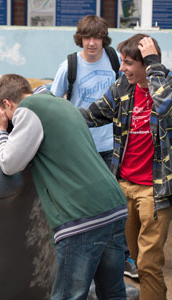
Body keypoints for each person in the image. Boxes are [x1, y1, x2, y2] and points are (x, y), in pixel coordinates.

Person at [0, 74, 128, 299]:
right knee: (113, 292)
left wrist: (0, 131)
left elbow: (9, 163)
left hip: (82, 217)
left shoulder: (29, 108)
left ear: (7, 104)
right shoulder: (64, 104)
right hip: (114, 206)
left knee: (68, 295)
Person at [79, 34, 172, 300]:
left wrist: (155, 63)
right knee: (125, 258)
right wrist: (53, 110)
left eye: (129, 63)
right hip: (123, 186)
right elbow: (93, 114)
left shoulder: (167, 85)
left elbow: (164, 105)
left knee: (148, 264)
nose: (123, 68)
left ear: (147, 65)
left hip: (155, 192)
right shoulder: (123, 88)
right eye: (122, 61)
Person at [51, 14, 137, 279]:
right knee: (82, 202)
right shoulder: (69, 66)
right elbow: (54, 104)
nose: (92, 43)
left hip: (113, 145)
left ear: (103, 38)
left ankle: (122, 258)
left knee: (116, 202)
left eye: (97, 37)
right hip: (82, 146)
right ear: (80, 39)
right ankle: (81, 256)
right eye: (87, 37)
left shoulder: (114, 61)